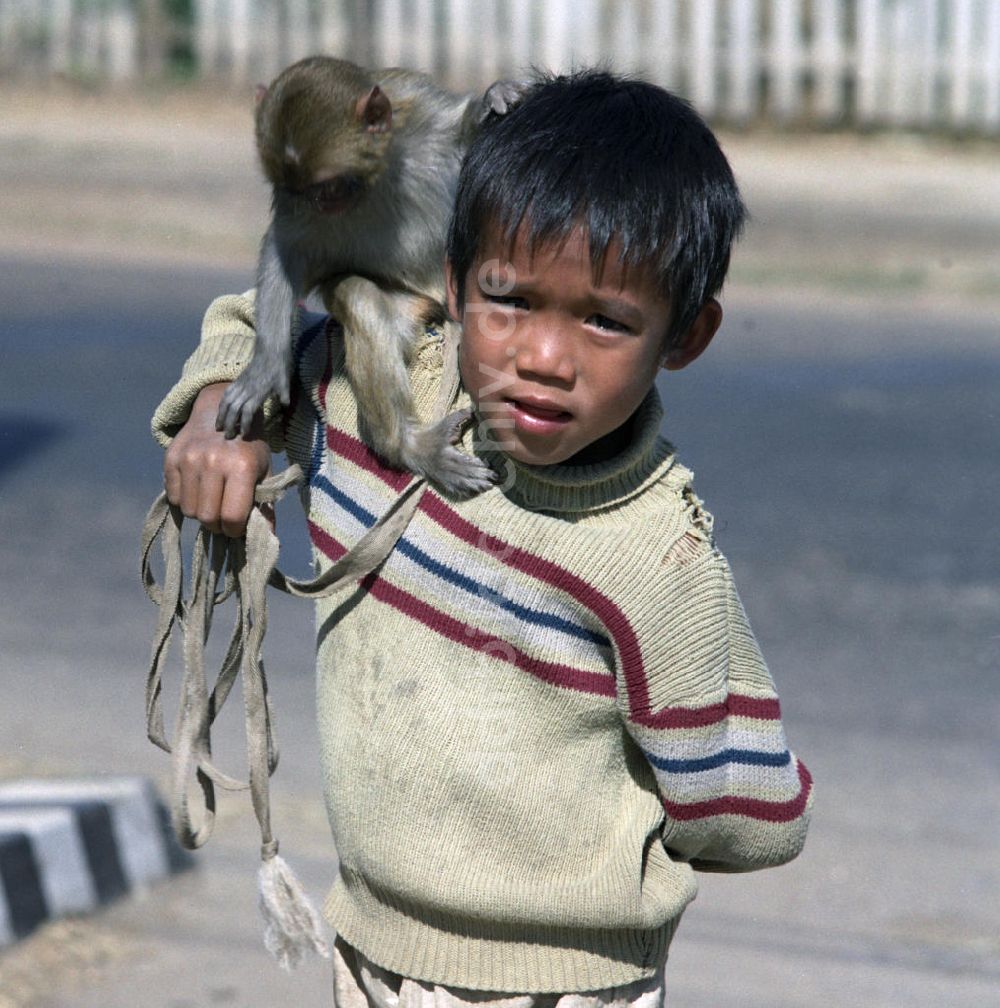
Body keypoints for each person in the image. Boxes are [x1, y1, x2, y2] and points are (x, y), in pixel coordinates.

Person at [154, 69, 813, 1006]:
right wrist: (220, 411)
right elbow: (260, 324)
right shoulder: (382, 407)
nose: (544, 357)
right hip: (367, 954)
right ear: (448, 287)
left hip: (566, 988)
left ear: (686, 335)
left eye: (605, 319)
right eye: (509, 302)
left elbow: (750, 815)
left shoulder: (657, 560)